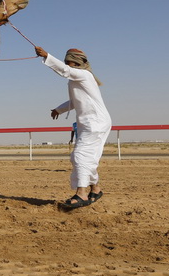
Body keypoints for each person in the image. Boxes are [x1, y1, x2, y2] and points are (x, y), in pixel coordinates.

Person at [35, 46, 112, 210]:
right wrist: (58, 110)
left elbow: (64, 71)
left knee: (80, 156)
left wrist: (47, 56)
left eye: (71, 63)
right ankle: (96, 189)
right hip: (89, 123)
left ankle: (81, 193)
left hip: (95, 122)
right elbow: (75, 102)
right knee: (83, 158)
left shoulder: (84, 75)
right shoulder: (77, 80)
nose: (69, 66)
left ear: (78, 63)